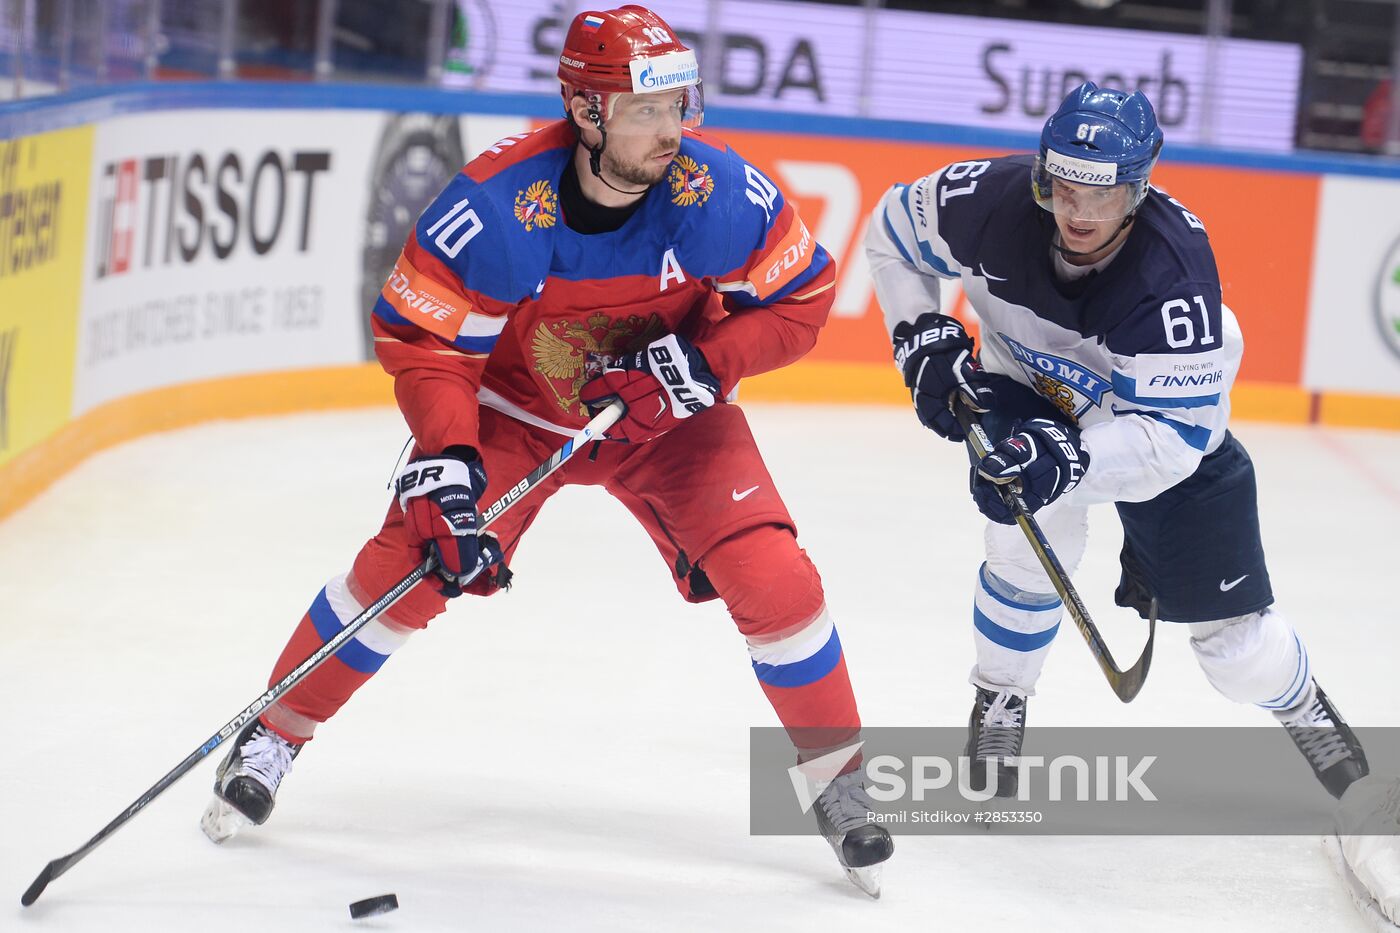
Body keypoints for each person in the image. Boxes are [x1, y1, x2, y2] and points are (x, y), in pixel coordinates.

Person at [199, 5, 892, 895]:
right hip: (517, 414)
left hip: (665, 415)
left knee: (777, 578)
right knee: (408, 563)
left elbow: (804, 300)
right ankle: (275, 730)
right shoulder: (495, 208)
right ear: (587, 111)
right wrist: (448, 463)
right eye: (648, 112)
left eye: (681, 106)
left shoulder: (716, 194)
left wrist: (704, 364)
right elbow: (428, 344)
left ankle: (839, 780)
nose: (673, 131)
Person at [865, 81, 1369, 800]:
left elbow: (1171, 442)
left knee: (1234, 651)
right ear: (1044, 169)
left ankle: (1296, 699)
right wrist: (919, 333)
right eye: (1064, 186)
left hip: (1164, 434)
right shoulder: (986, 200)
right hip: (1028, 393)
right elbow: (890, 234)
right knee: (1024, 536)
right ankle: (1003, 694)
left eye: (1101, 195)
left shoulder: (1175, 279)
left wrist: (1069, 458)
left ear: (1138, 187)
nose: (1077, 211)